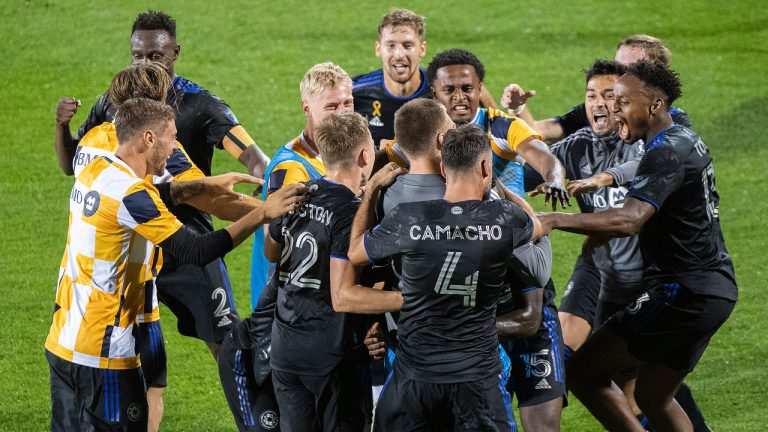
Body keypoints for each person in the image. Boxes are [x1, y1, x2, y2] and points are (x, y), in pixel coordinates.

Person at [45, 98, 307, 432]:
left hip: (63, 341)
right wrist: (262, 213)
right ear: (149, 139)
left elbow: (152, 195)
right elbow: (196, 251)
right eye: (171, 138)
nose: (175, 148)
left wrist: (204, 185)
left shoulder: (97, 168)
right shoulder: (131, 193)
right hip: (103, 353)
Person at [55, 10, 270, 362]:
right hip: (129, 246)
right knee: (131, 352)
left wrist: (268, 198)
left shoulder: (201, 106)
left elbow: (257, 162)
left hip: (185, 238)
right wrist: (61, 127)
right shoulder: (112, 103)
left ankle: (258, 418)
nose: (143, 65)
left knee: (227, 347)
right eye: (137, 56)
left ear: (175, 53)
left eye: (155, 56)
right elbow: (71, 165)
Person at [538, 61, 737, 431]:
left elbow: (628, 220)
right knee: (652, 397)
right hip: (714, 290)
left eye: (623, 101)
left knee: (583, 373)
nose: (614, 109)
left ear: (655, 105)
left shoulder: (666, 152)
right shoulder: (680, 139)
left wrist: (552, 220)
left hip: (682, 293)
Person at [373, 98, 563, 431]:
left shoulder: (391, 200)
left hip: (420, 356)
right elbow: (536, 281)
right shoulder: (494, 211)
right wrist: (517, 206)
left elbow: (355, 273)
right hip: (477, 357)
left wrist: (381, 320)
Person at [263, 112, 403, 431]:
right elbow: (344, 297)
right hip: (331, 356)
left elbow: (271, 251)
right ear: (366, 155)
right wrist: (411, 299)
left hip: (285, 350)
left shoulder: (296, 193)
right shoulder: (352, 212)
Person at [384, 48, 570, 208]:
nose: (459, 96)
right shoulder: (424, 130)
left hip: (507, 235)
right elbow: (380, 161)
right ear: (435, 94)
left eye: (467, 88)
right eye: (449, 90)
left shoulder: (500, 126)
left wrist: (554, 179)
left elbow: (544, 157)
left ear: (479, 89)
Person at [250, 62, 354, 307]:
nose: (343, 114)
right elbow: (274, 243)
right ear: (306, 107)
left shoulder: (339, 151)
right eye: (332, 106)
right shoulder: (292, 169)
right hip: (287, 307)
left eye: (347, 103)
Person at [502, 34, 691, 143]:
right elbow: (538, 131)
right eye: (618, 66)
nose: (620, 76)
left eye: (630, 69)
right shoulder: (600, 109)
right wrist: (518, 108)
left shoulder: (671, 122)